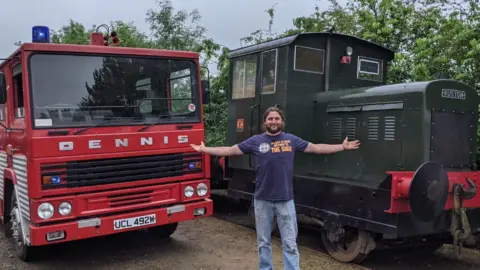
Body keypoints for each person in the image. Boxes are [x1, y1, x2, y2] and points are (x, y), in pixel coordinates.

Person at [190, 106, 360, 270]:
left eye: (277, 118)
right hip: (262, 200)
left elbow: (316, 148)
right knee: (263, 242)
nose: (274, 121)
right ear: (265, 122)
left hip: (285, 200)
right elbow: (230, 150)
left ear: (281, 121)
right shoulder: (255, 141)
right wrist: (204, 149)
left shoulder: (291, 140)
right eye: (270, 118)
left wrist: (342, 146)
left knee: (290, 243)